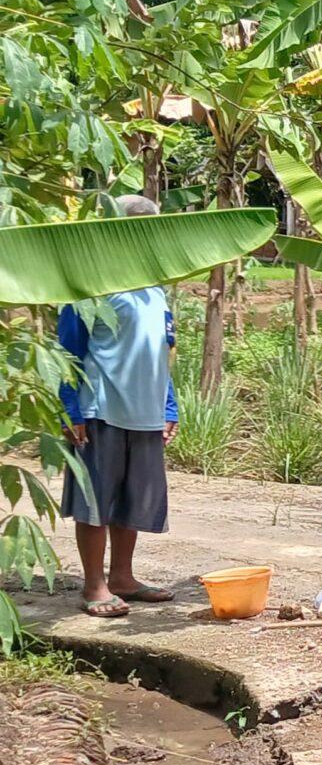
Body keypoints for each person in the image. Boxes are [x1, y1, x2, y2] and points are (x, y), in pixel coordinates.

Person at [57, 195, 181, 618]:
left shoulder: (155, 289)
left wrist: (168, 405)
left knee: (131, 499)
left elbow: (160, 351)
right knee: (95, 501)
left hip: (145, 411)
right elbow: (67, 353)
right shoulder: (89, 287)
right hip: (100, 409)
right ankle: (94, 585)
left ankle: (123, 577)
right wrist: (70, 408)